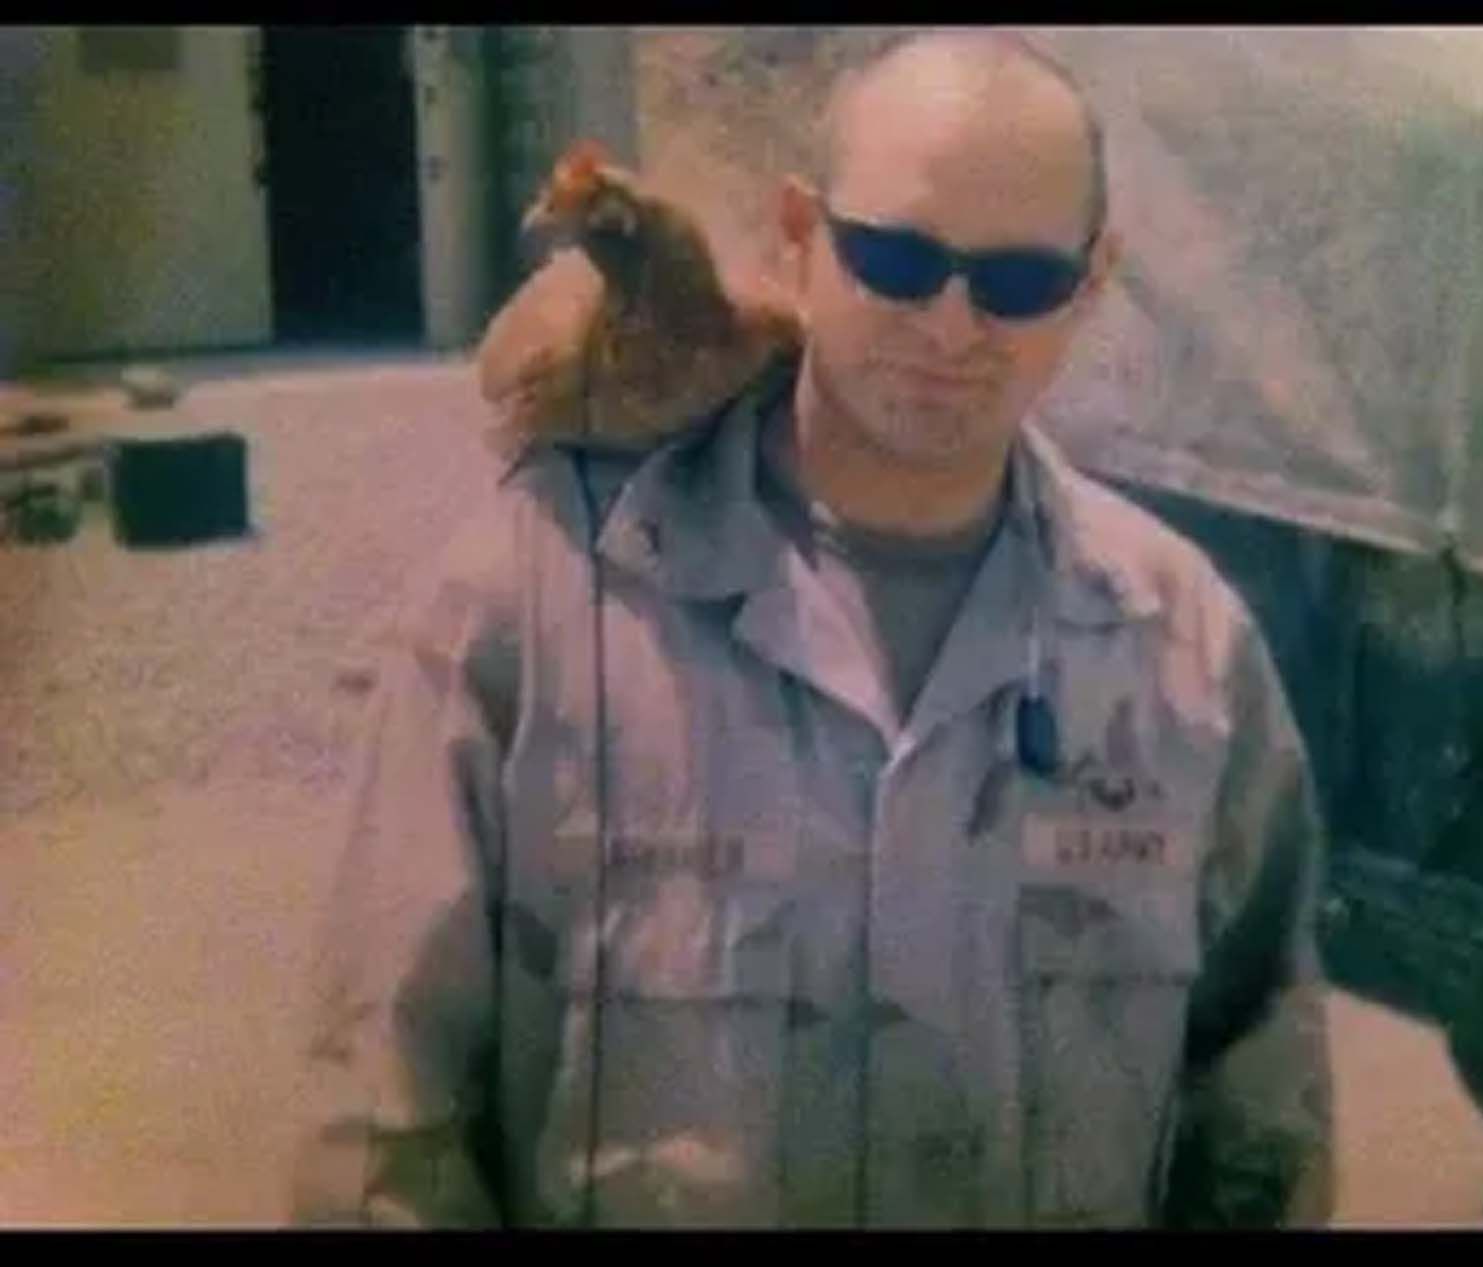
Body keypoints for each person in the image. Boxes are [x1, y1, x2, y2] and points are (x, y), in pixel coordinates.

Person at [289, 29, 1333, 1228]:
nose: (951, 326)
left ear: (1092, 284)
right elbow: (380, 1128)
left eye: (1019, 282)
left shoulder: (1183, 649)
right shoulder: (535, 603)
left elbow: (1257, 1121)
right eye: (895, 258)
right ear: (799, 234)